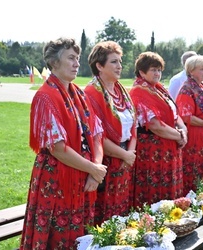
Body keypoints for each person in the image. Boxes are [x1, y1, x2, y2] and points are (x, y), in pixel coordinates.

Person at [20, 37, 107, 249]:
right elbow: (57, 149)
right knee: (57, 236)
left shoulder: (79, 93)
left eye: (77, 58)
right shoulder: (45, 96)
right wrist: (94, 169)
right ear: (54, 62)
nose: (77, 63)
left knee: (80, 235)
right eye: (71, 58)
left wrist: (95, 169)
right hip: (57, 180)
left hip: (84, 178)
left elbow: (96, 134)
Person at [84, 41, 137, 225]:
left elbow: (133, 127)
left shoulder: (121, 90)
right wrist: (125, 155)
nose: (120, 66)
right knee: (104, 217)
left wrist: (130, 154)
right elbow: (96, 135)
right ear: (99, 66)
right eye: (114, 62)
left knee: (121, 214)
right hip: (105, 162)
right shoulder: (91, 93)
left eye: (120, 61)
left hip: (125, 161)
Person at [129, 51, 187, 208]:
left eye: (159, 70)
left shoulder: (159, 88)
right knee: (155, 191)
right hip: (153, 151)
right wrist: (179, 135)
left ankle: (173, 222)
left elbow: (175, 114)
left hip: (169, 147)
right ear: (142, 72)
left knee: (169, 188)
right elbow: (154, 125)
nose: (157, 73)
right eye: (153, 69)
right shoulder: (139, 91)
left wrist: (183, 131)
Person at [176, 55, 203, 194]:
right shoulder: (187, 89)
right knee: (194, 167)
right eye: (201, 69)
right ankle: (193, 197)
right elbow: (186, 116)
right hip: (195, 135)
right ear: (191, 71)